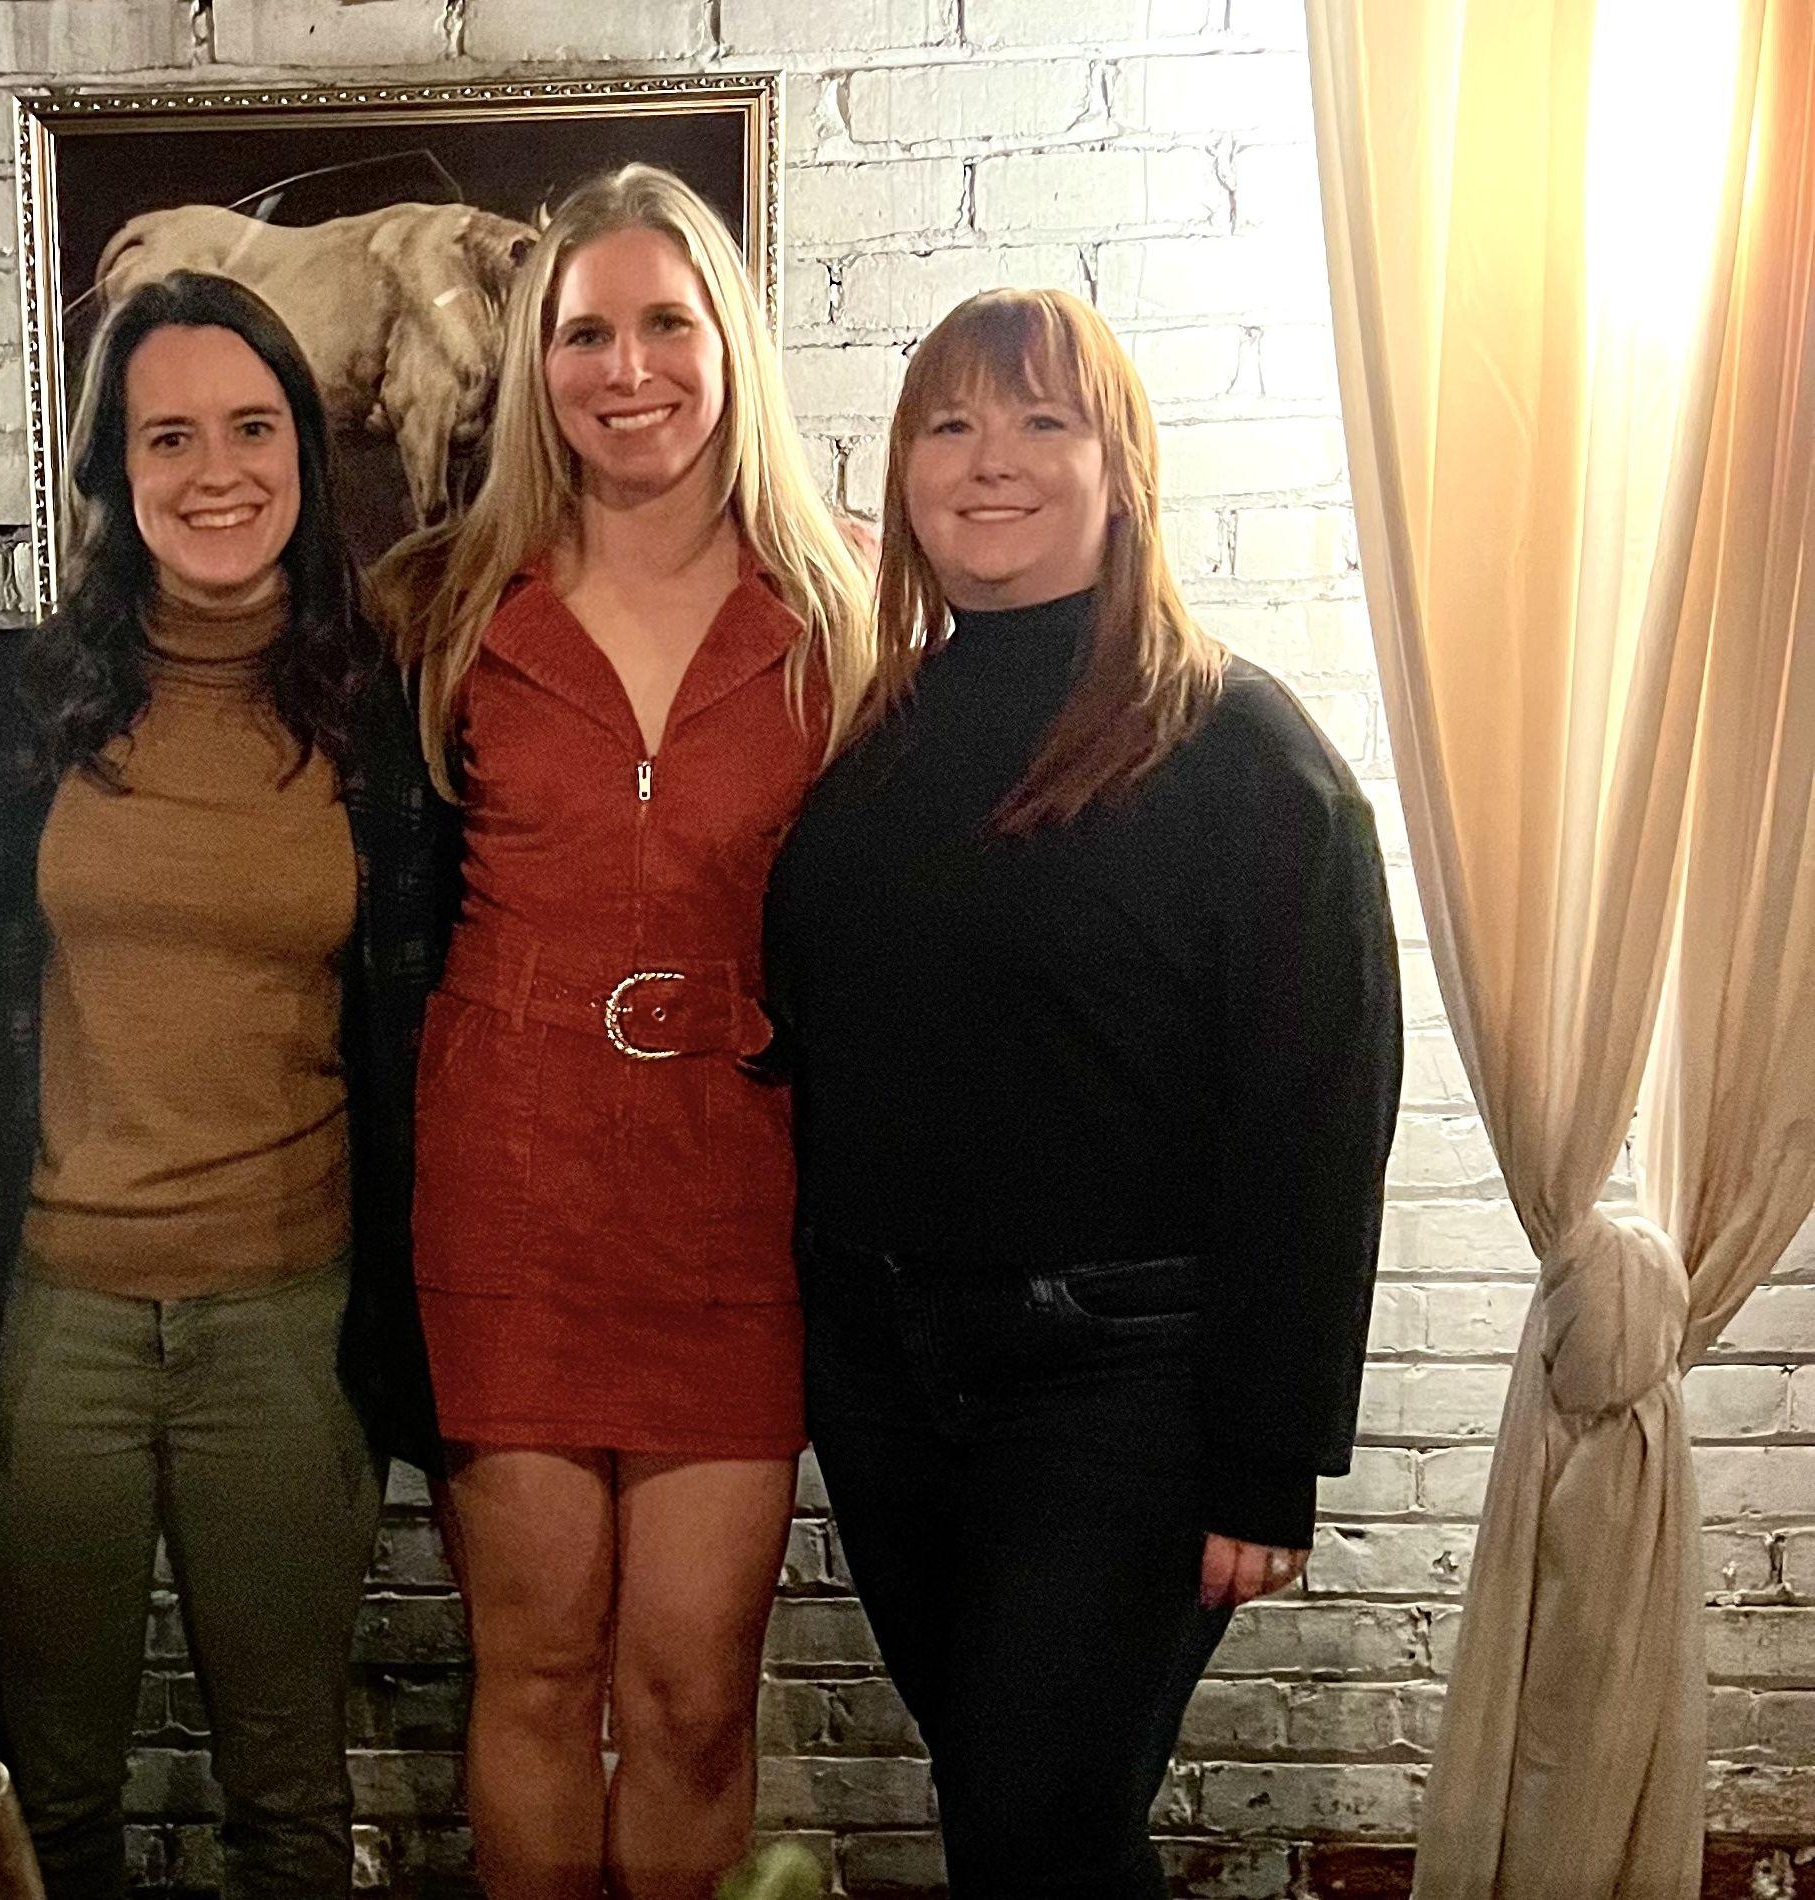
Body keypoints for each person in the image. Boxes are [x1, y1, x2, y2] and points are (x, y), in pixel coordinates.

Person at [763, 288, 1403, 1899]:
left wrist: (1266, 1461)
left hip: (1118, 1389)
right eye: (950, 424)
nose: (991, 460)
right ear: (903, 470)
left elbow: (1317, 1120)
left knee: (1027, 1829)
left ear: (1121, 470)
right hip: (887, 1376)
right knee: (1028, 1825)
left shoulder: (1238, 749)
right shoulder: (879, 730)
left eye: (1042, 422)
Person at [0, 270, 451, 1900]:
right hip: (40, 1323)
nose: (215, 470)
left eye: (251, 427)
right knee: (57, 1802)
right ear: (113, 471)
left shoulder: (390, 709)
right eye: (168, 437)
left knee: (288, 1798)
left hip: (289, 1324)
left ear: (303, 450)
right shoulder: (11, 701)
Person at [373, 164, 873, 1900]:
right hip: (504, 1192)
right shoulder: (445, 602)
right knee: (533, 1675)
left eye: (667, 323)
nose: (628, 368)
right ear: (538, 364)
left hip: (734, 1196)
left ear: (729, 345)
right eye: (585, 333)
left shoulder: (846, 610)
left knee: (688, 1700)